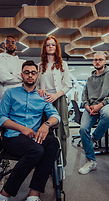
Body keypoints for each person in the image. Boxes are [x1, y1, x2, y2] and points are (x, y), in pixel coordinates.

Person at [0, 60, 61, 201]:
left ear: (37, 76)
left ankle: (32, 199)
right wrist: (22, 128)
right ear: (21, 75)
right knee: (37, 150)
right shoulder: (10, 93)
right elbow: (1, 118)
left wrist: (45, 125)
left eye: (33, 72)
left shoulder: (42, 96)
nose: (30, 75)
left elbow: (55, 116)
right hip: (13, 137)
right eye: (26, 72)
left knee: (53, 142)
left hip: (34, 137)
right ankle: (2, 197)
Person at [78, 51, 109, 175]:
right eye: (95, 59)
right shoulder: (90, 79)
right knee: (83, 129)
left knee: (108, 115)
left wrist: (100, 105)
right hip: (91, 107)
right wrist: (87, 106)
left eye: (100, 59)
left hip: (107, 104)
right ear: (93, 62)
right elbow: (84, 95)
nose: (97, 61)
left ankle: (95, 138)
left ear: (105, 61)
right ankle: (91, 161)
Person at [37, 36, 72, 164]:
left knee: (61, 129)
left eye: (53, 44)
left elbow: (68, 85)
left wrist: (56, 95)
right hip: (43, 101)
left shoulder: (63, 65)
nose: (50, 47)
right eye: (48, 45)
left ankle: (62, 163)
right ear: (44, 48)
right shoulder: (40, 66)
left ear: (56, 47)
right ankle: (46, 162)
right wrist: (39, 90)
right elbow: (35, 85)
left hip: (59, 99)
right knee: (44, 129)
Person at [0, 35, 25, 113]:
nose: (10, 44)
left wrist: (11, 75)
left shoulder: (21, 62)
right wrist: (20, 77)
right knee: (6, 121)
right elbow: (3, 78)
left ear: (16, 46)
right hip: (5, 96)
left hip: (21, 96)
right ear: (4, 45)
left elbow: (26, 77)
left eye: (12, 42)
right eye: (8, 42)